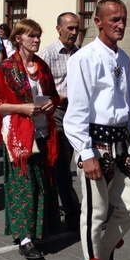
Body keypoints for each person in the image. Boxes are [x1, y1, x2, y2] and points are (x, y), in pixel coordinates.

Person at [64, 0, 130, 260]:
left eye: (124, 19)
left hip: (122, 142)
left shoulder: (123, 59)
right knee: (95, 213)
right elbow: (76, 113)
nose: (121, 25)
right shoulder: (84, 58)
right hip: (95, 143)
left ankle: (106, 257)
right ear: (98, 22)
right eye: (114, 20)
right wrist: (86, 154)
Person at [0, 19, 60, 260]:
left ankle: (39, 227)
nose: (37, 39)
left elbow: (53, 96)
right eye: (32, 36)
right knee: (23, 184)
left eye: (38, 35)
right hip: (18, 133)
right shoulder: (5, 68)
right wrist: (21, 108)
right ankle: (25, 237)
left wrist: (50, 103)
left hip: (41, 132)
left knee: (40, 181)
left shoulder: (42, 67)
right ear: (18, 38)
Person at [40, 12, 81, 230]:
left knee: (82, 163)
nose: (74, 32)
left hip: (78, 114)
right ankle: (71, 212)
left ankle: (73, 209)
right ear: (59, 29)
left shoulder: (80, 54)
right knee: (62, 165)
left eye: (76, 28)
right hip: (57, 114)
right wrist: (58, 98)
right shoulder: (48, 54)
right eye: (70, 28)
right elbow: (40, 89)